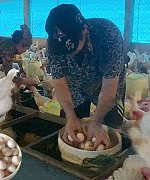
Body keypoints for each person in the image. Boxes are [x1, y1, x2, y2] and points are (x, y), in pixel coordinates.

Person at [45, 4, 125, 149]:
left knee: (111, 130)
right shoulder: (53, 42)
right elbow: (59, 82)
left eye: (73, 46)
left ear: (85, 30)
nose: (68, 53)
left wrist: (96, 121)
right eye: (63, 50)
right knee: (72, 130)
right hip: (75, 86)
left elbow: (109, 86)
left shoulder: (108, 35)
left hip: (106, 84)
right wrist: (70, 115)